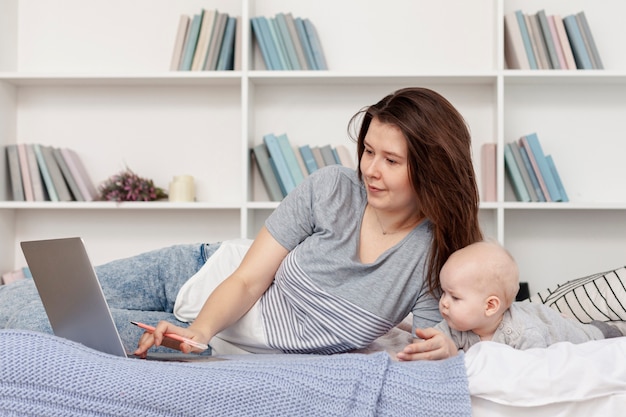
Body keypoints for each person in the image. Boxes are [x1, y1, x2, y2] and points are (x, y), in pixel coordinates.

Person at [0, 87, 483, 359]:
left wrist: (443, 348)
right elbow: (250, 278)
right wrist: (204, 330)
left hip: (201, 329)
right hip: (197, 273)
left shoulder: (431, 259)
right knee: (21, 300)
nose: (370, 170)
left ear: (432, 169)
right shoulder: (332, 188)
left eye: (391, 161)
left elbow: (436, 338)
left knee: (34, 327)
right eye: (368, 151)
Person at [403, 240, 624, 361]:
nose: (444, 303)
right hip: (534, 313)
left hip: (566, 330)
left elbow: (536, 369)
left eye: (455, 297)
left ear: (490, 306)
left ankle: (608, 329)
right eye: (443, 293)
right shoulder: (457, 325)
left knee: (598, 336)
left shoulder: (524, 334)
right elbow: (439, 344)